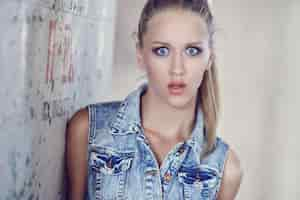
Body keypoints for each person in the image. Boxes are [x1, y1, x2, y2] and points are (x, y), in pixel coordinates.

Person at [65, 0, 243, 199]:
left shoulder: (225, 168)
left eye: (192, 50)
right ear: (140, 54)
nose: (177, 68)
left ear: (210, 58)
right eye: (162, 51)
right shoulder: (88, 130)